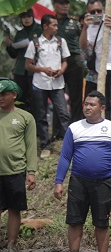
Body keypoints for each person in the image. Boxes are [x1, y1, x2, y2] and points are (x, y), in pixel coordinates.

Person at [54, 90, 111, 252]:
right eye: (85, 104)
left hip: (104, 182)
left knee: (102, 223)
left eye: (92, 104)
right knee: (75, 221)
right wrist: (58, 182)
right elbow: (65, 157)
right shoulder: (75, 128)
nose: (87, 107)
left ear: (102, 107)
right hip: (78, 181)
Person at [24, 14, 71, 157]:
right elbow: (28, 65)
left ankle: (70, 145)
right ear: (45, 26)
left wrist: (61, 70)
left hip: (57, 83)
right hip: (40, 83)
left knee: (63, 114)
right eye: (54, 25)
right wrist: (43, 69)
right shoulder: (35, 43)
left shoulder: (60, 41)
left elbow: (65, 61)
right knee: (41, 115)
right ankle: (45, 145)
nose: (57, 28)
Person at [0, 80, 37, 251]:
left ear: (13, 95)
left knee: (15, 209)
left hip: (15, 170)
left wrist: (31, 172)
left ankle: (10, 244)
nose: (0, 98)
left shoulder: (25, 117)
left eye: (4, 94)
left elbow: (31, 146)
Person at [79, 0, 111, 125]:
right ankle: (105, 128)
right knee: (104, 101)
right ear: (87, 13)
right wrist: (84, 27)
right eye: (93, 12)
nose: (96, 15)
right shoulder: (88, 27)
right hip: (101, 69)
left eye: (99, 11)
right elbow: (84, 46)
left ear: (103, 9)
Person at [53, 0, 85, 124]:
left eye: (67, 3)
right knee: (56, 94)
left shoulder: (74, 22)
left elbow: (84, 38)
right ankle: (58, 129)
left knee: (75, 95)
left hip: (73, 60)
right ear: (55, 5)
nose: (65, 5)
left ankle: (76, 125)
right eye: (61, 3)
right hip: (55, 60)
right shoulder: (50, 21)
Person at [4, 9, 41, 112]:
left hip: (34, 69)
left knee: (35, 100)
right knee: (19, 99)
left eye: (28, 16)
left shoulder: (40, 30)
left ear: (32, 17)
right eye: (23, 17)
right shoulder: (20, 33)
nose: (26, 19)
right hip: (20, 70)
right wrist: (9, 45)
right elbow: (14, 54)